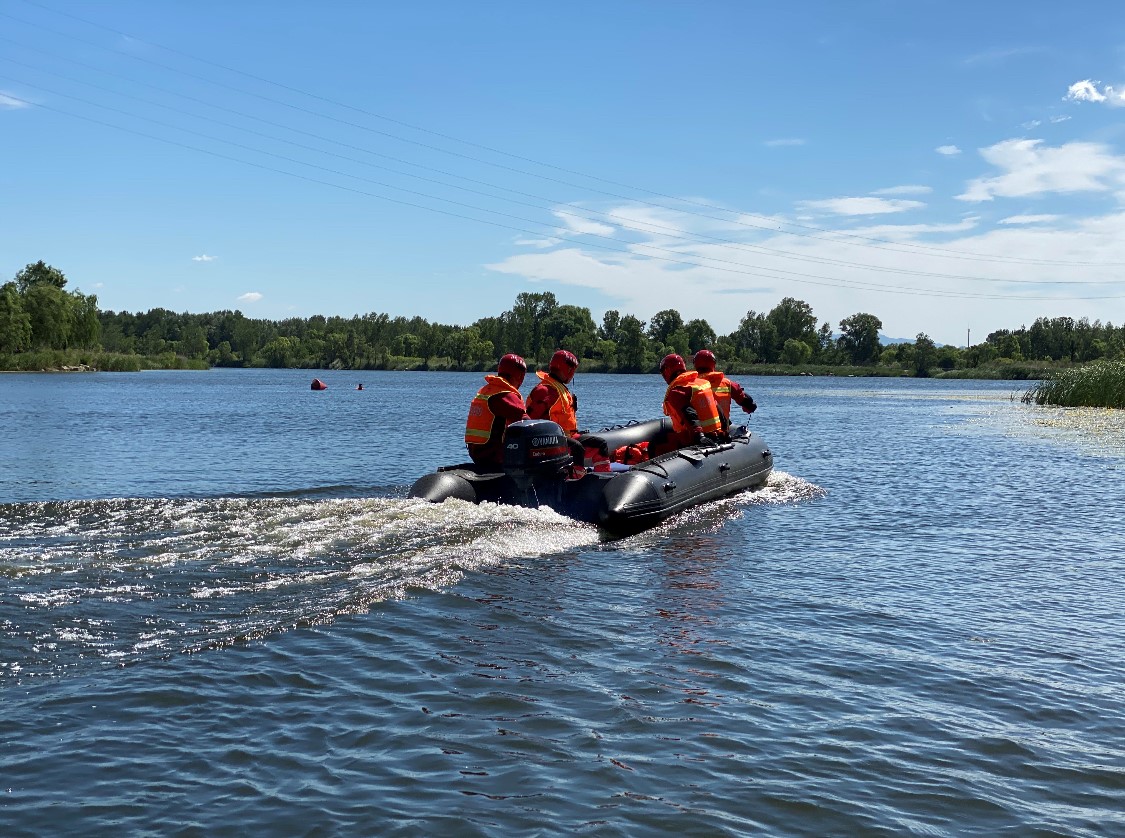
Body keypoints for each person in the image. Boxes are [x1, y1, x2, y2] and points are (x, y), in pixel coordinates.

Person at [649, 353, 724, 457]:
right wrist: (724, 432)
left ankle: (655, 471)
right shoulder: (701, 383)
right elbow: (717, 407)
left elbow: (689, 413)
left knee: (655, 444)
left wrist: (700, 436)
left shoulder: (677, 391)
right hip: (715, 434)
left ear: (667, 371)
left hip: (692, 439)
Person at [464, 353, 529, 468]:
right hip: (494, 457)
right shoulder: (506, 395)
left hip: (477, 455)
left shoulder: (486, 390)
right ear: (520, 375)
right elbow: (527, 423)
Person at [692, 349, 756, 430]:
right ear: (713, 364)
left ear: (695, 364)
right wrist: (750, 406)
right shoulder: (727, 383)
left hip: (699, 433)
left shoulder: (690, 384)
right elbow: (743, 400)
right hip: (722, 431)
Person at [527, 350, 580, 437]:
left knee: (597, 441)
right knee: (599, 444)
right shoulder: (545, 391)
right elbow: (530, 420)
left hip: (566, 437)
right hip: (553, 439)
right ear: (569, 370)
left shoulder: (557, 388)